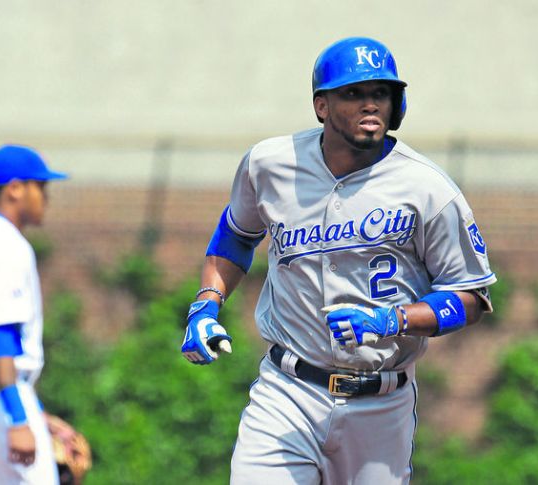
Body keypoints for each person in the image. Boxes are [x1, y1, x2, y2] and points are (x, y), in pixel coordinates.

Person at [181, 36, 497, 485]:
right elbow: (235, 236)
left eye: (380, 93)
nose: (370, 104)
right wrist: (206, 305)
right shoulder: (270, 164)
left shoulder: (428, 189)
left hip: (381, 406)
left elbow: (469, 297)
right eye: (353, 93)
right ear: (321, 106)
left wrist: (394, 320)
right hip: (286, 392)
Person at [0, 144, 80, 484]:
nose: (45, 198)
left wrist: (37, 413)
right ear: (15, 188)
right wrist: (18, 418)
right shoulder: (6, 244)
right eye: (40, 186)